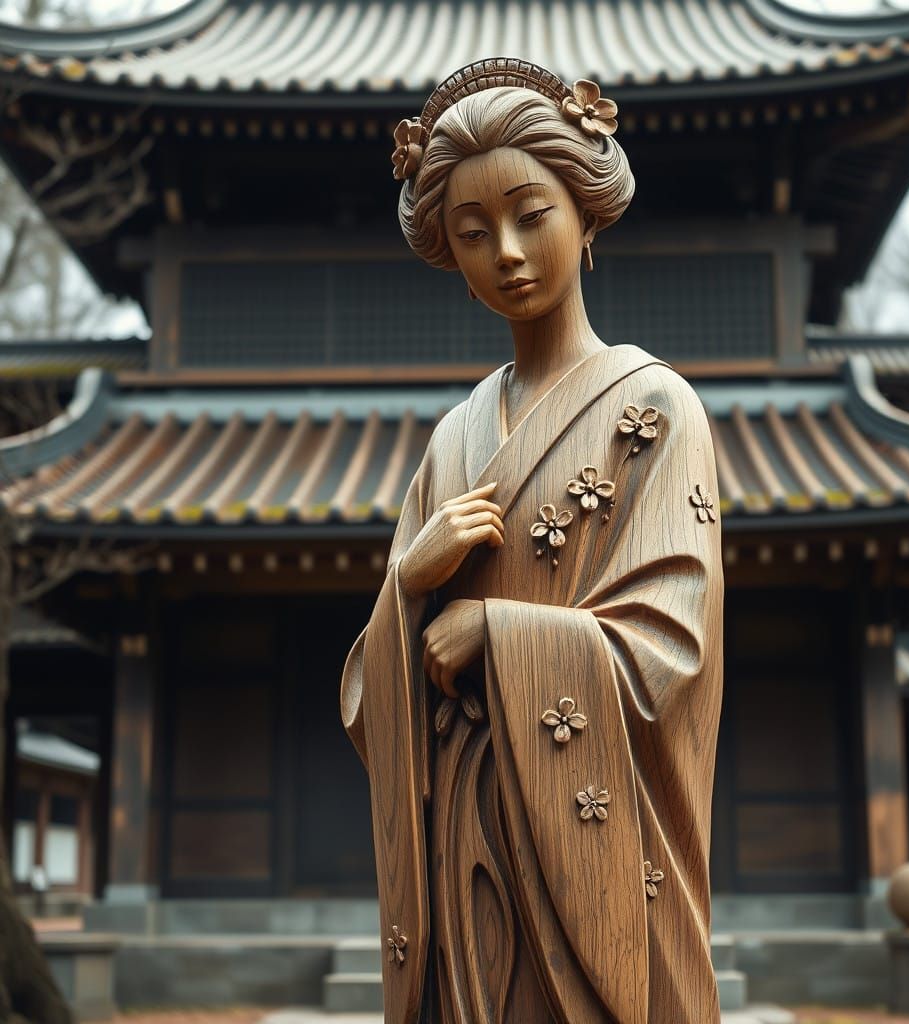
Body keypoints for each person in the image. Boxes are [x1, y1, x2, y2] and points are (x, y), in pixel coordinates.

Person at [341, 57, 723, 1024]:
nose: (505, 251)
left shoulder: (657, 408)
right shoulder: (451, 440)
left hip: (593, 840)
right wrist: (409, 582)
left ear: (587, 214)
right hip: (466, 839)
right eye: (472, 234)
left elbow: (669, 648)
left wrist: (496, 634)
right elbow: (367, 700)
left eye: (530, 215)